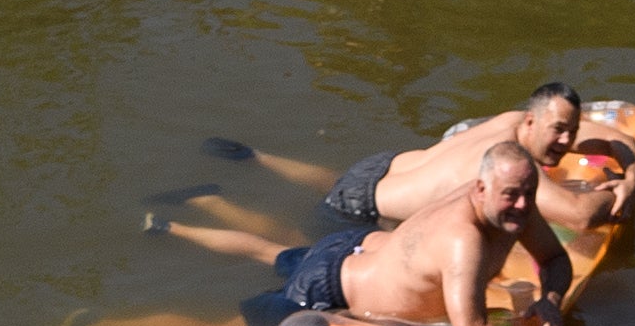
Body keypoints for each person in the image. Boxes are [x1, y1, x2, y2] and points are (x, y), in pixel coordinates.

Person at [154, 142, 570, 326]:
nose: (522, 204)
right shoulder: (465, 240)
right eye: (511, 194)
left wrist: (550, 300)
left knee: (272, 252)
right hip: (326, 290)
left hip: (350, 249)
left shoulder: (513, 203)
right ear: (482, 188)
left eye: (528, 192)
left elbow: (554, 259)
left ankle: (195, 209)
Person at [242, 83, 601, 229]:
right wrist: (618, 190)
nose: (567, 141)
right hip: (361, 209)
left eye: (572, 132)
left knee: (333, 181)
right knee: (286, 240)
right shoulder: (510, 164)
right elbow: (580, 217)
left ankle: (256, 157)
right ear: (532, 122)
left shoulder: (510, 121)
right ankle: (209, 204)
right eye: (559, 130)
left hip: (380, 167)